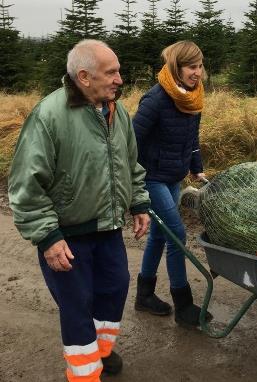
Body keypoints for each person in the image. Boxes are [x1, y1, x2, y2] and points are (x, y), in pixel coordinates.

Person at [8, 39, 151, 381]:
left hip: (108, 228)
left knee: (114, 288)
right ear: (84, 77)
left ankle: (100, 353)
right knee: (77, 306)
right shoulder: (49, 116)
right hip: (66, 235)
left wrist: (138, 202)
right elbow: (26, 188)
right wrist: (48, 237)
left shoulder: (118, 112)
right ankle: (84, 373)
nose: (120, 79)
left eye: (119, 71)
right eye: (111, 72)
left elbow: (130, 164)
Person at [133, 40, 212, 326]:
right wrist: (133, 182)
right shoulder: (155, 100)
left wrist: (196, 168)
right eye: (192, 67)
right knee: (176, 234)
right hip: (151, 177)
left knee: (159, 234)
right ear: (176, 68)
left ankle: (144, 295)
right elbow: (131, 141)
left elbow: (191, 139)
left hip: (173, 177)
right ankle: (184, 305)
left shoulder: (193, 98)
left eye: (200, 66)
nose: (198, 73)